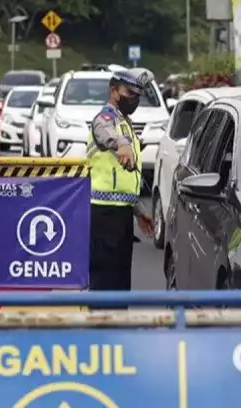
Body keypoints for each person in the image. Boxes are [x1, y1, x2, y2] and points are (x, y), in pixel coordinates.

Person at [86, 68, 156, 291]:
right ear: (114, 90)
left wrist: (138, 210)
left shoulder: (125, 123)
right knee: (104, 282)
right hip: (103, 214)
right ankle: (101, 324)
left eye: (138, 95)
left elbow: (126, 176)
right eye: (130, 93)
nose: (134, 99)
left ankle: (119, 323)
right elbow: (105, 133)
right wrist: (122, 144)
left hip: (122, 213)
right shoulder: (105, 119)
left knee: (120, 282)